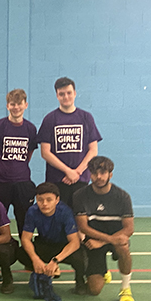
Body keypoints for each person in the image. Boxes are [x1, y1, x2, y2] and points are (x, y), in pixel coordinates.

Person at [73, 156, 135, 301]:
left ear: (110, 174)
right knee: (94, 290)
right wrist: (102, 241)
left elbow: (129, 228)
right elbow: (83, 227)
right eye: (94, 173)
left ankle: (125, 288)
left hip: (113, 238)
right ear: (89, 174)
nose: (98, 177)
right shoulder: (80, 195)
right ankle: (104, 272)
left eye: (102, 172)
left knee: (123, 246)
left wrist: (103, 241)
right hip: (93, 239)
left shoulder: (122, 196)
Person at [38, 77, 101, 208]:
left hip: (81, 179)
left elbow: (93, 150)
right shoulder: (50, 119)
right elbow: (45, 152)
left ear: (75, 93)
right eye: (61, 94)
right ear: (57, 95)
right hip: (57, 180)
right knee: (58, 220)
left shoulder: (86, 117)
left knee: (80, 220)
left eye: (69, 93)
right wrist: (68, 171)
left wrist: (77, 172)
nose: (66, 97)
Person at [18, 182, 87, 295]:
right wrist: (35, 259)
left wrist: (55, 260)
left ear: (57, 200)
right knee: (20, 253)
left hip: (63, 246)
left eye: (49, 200)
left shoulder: (65, 212)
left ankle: (79, 281)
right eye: (40, 200)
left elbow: (74, 242)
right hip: (45, 244)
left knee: (81, 258)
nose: (44, 204)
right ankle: (42, 269)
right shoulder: (32, 211)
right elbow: (26, 238)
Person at [0, 89, 38, 234]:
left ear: (26, 105)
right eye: (12, 104)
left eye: (19, 104)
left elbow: (28, 154)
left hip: (22, 182)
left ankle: (26, 251)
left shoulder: (30, 128)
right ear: (7, 106)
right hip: (0, 182)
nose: (16, 107)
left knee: (24, 221)